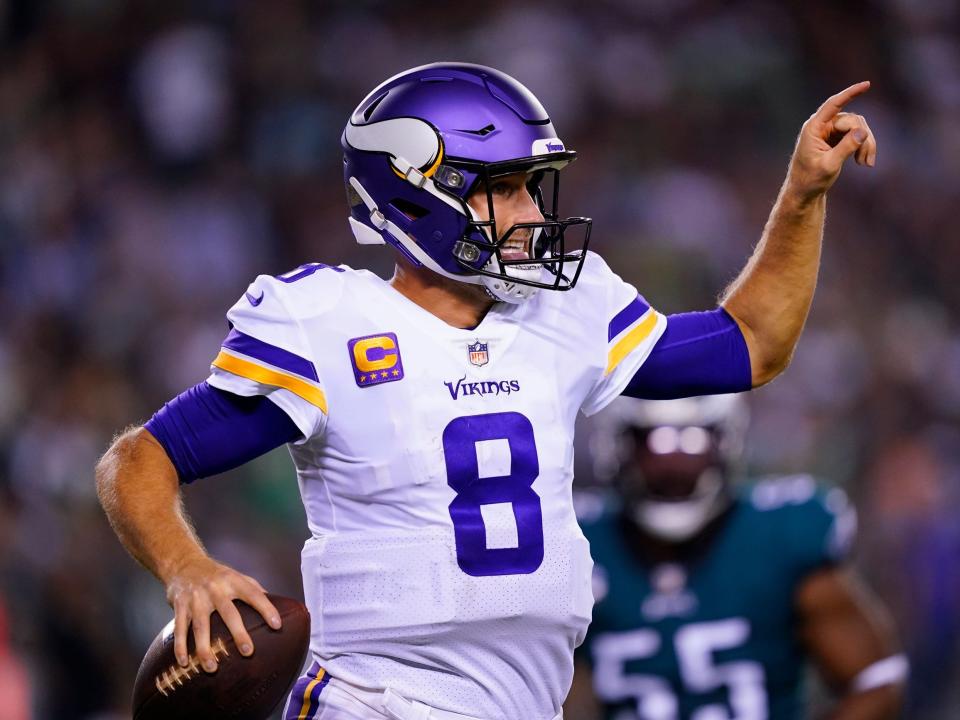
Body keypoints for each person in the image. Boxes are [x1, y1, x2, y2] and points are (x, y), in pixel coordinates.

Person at [95, 63, 877, 720]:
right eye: (504, 190)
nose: (534, 215)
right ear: (414, 193)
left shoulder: (568, 311)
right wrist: (185, 566)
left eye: (534, 188)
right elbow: (139, 458)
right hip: (375, 701)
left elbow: (750, 345)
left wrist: (803, 196)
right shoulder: (328, 322)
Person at [565, 395, 906, 720]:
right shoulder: (580, 541)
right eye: (651, 441)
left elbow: (876, 679)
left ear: (725, 442)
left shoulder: (779, 536)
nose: (672, 466)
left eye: (692, 440)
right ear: (617, 448)